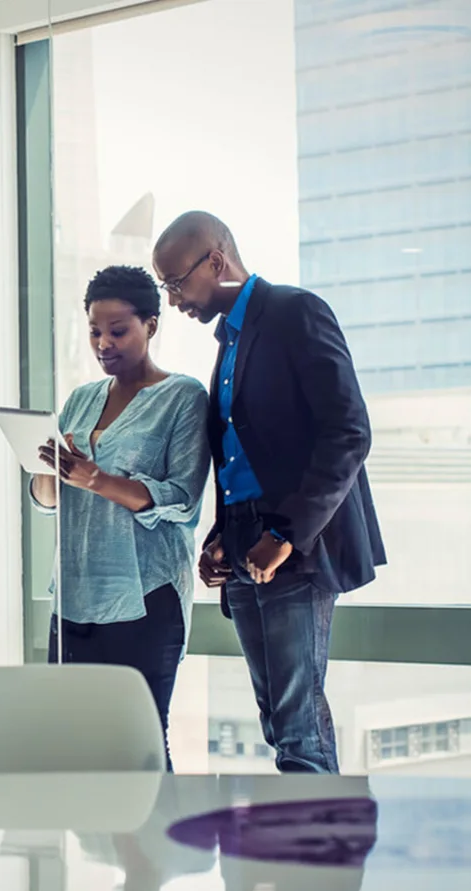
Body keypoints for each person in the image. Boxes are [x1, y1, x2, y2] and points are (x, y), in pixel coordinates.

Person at [152, 211, 385, 775]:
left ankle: (323, 856)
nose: (173, 299)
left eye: (176, 283)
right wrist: (221, 536)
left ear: (216, 260)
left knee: (299, 729)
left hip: (296, 552)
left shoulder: (294, 313)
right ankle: (310, 851)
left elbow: (349, 432)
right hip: (247, 551)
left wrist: (283, 534)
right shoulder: (228, 341)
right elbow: (242, 454)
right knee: (279, 725)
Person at [31, 265, 209, 771]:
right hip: (74, 598)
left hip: (145, 599)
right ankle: (82, 852)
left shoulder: (182, 398)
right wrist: (48, 469)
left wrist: (97, 480)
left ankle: (154, 849)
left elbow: (182, 499)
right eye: (93, 331)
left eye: (117, 331)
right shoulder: (81, 400)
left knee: (141, 744)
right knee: (71, 746)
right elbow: (48, 498)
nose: (103, 343)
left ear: (151, 325)